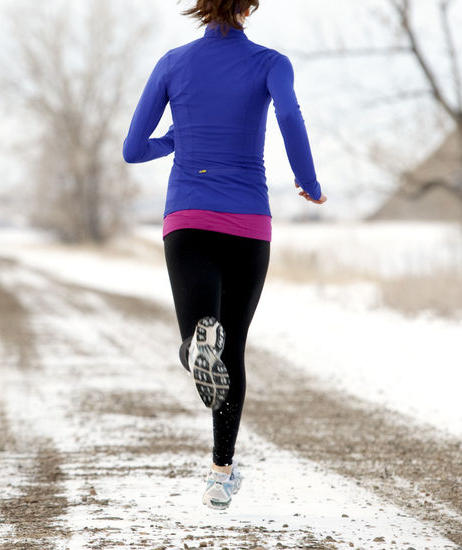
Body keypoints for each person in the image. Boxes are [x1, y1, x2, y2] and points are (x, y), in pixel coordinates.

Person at [122, 0, 328, 510]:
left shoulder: (173, 62)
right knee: (231, 346)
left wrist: (174, 141)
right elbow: (289, 117)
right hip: (249, 222)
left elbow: (132, 148)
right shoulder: (270, 62)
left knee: (199, 338)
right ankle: (220, 472)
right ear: (249, 6)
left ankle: (193, 350)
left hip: (188, 218)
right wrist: (308, 182)